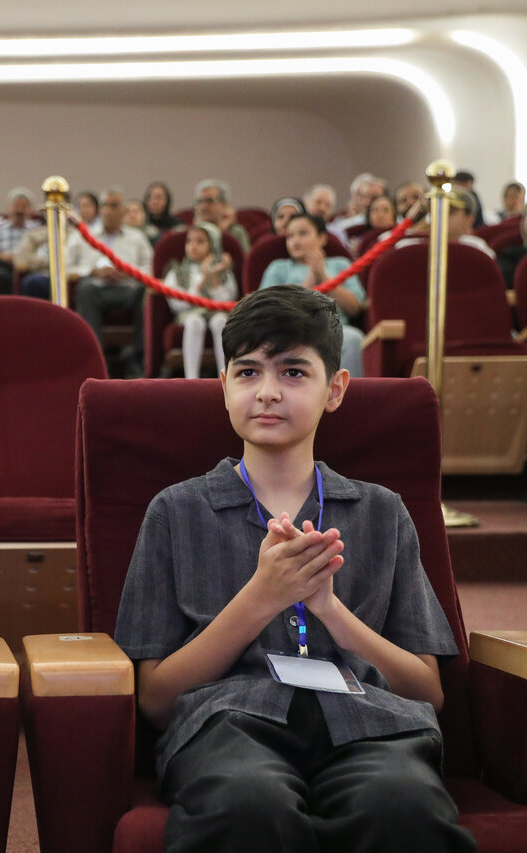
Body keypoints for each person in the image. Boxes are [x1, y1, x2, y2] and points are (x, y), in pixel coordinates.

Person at [113, 284, 474, 853]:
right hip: (227, 724)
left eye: (293, 373)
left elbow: (427, 691)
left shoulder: (381, 511)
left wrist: (329, 609)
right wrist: (262, 596)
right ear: (224, 387)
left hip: (370, 724)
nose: (267, 393)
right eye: (248, 372)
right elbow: (156, 700)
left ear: (335, 389)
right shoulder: (176, 511)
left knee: (402, 804)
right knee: (248, 805)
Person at [260, 214, 365, 377]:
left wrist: (323, 275)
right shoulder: (278, 267)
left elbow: (354, 308)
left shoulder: (340, 264)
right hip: (289, 330)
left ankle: (351, 399)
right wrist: (310, 278)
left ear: (322, 238)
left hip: (335, 329)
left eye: (302, 234)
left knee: (354, 338)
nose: (295, 241)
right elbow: (267, 309)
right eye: (290, 236)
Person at [72, 188, 154, 376]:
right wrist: (91, 271)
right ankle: (95, 358)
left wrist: (129, 272)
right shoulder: (83, 235)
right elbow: (66, 267)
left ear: (124, 211)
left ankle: (137, 358)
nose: (108, 210)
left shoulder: (137, 237)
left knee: (146, 291)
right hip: (96, 288)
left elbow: (151, 268)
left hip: (129, 289)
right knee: (85, 289)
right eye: (105, 206)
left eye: (114, 205)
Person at [161, 222, 237, 378]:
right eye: (189, 241)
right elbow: (177, 304)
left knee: (220, 321)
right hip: (189, 314)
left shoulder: (223, 272)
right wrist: (203, 280)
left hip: (216, 313)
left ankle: (224, 377)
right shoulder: (176, 271)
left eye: (200, 241)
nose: (193, 246)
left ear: (212, 245)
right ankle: (191, 378)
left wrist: (214, 277)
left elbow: (228, 301)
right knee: (195, 322)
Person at [0, 187, 36, 295]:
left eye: (23, 206)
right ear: (9, 208)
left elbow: (43, 253)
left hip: (30, 268)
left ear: (30, 210)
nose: (19, 210)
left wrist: (18, 258)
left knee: (36, 281)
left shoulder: (37, 230)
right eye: (16, 206)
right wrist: (3, 257)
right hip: (3, 266)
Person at [194, 179, 250, 252]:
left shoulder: (235, 232)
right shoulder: (190, 232)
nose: (203, 206)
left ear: (224, 205)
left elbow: (244, 260)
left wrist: (223, 232)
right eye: (199, 201)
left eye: (209, 201)